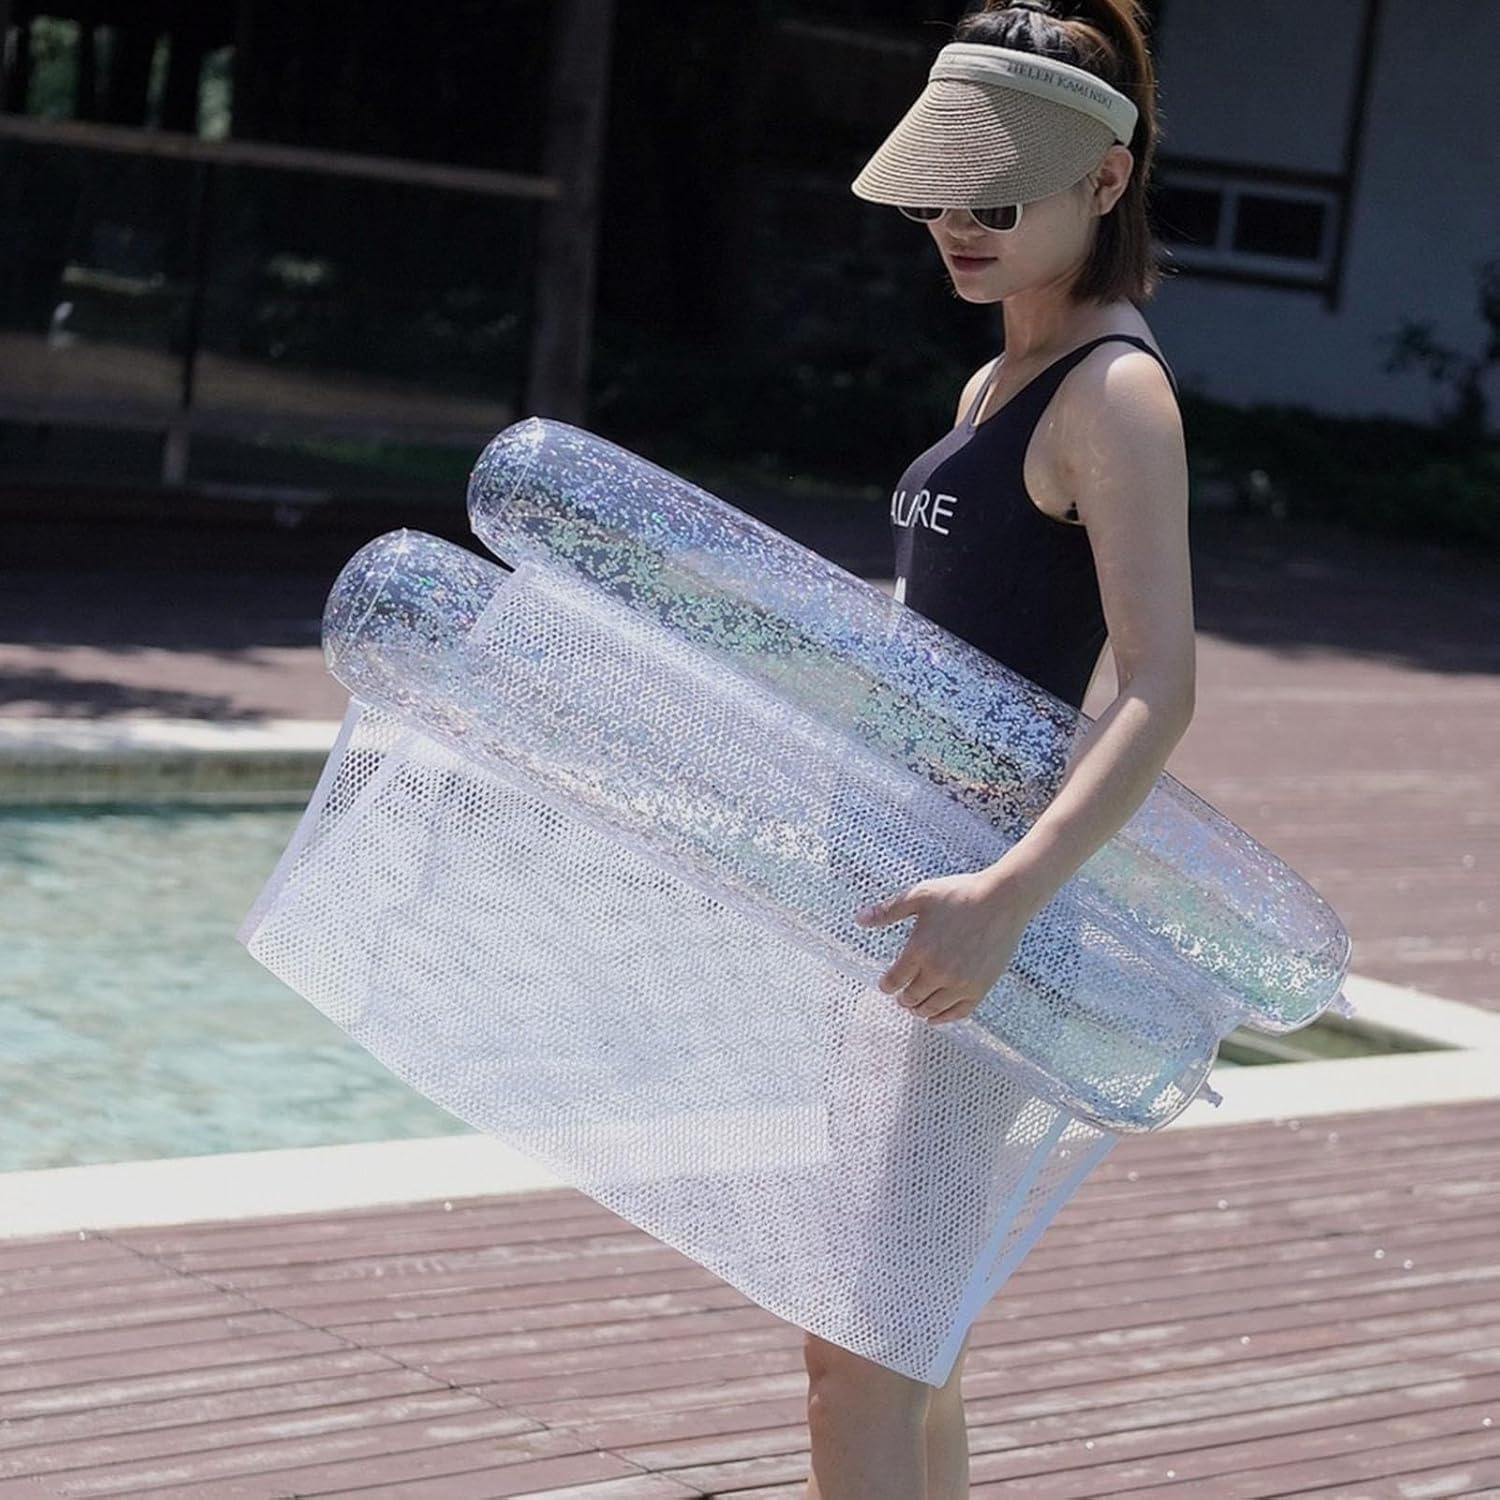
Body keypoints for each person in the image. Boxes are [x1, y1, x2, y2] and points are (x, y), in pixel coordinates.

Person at [803, 3, 1196, 1496]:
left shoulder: (1114, 392)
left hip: (983, 916)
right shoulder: (998, 382)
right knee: (915, 1345)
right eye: (940, 194)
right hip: (922, 895)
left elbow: (1159, 689)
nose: (954, 225)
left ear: (1106, 180)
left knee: (857, 1356)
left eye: (994, 197)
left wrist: (1008, 898)